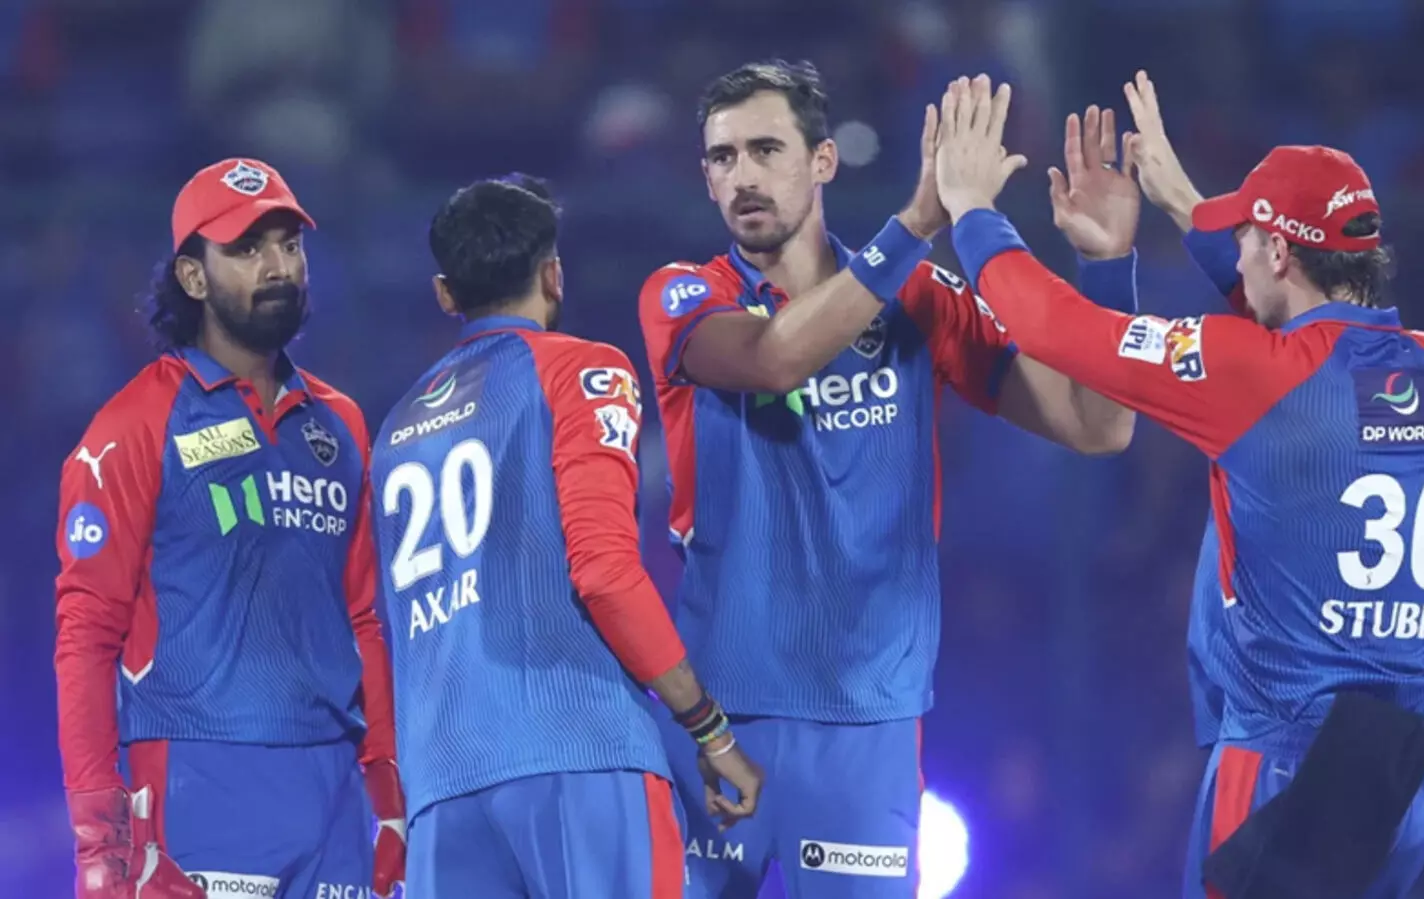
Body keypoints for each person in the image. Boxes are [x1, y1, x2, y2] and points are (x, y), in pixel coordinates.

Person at [933, 73, 1424, 899]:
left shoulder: (1252, 374)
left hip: (1289, 766)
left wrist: (971, 210)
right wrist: (1185, 204)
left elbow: (1053, 326)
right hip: (1405, 770)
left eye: (1244, 236)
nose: (1235, 250)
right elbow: (1305, 345)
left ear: (1279, 252)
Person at [636, 60, 1139, 897]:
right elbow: (773, 359)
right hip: (714, 721)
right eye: (723, 157)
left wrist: (1108, 268)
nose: (743, 175)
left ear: (824, 161)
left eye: (766, 149)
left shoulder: (918, 295)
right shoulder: (685, 294)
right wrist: (915, 223)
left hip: (867, 727)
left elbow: (1098, 425)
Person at [370, 175, 764, 899]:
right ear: (554, 275)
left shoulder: (394, 431)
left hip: (442, 790)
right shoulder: (581, 368)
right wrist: (709, 728)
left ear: (446, 295)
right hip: (577, 753)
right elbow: (606, 573)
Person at [54, 158, 406, 899]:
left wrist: (387, 790)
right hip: (199, 779)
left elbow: (363, 618)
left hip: (336, 794)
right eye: (247, 249)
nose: (278, 267)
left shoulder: (340, 424)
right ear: (192, 276)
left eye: (289, 245)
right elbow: (86, 629)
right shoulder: (135, 423)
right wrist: (97, 828)